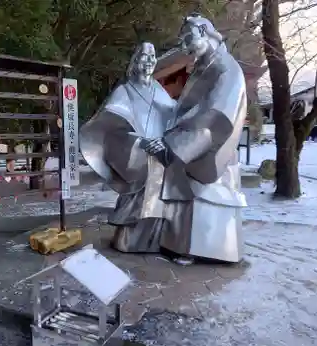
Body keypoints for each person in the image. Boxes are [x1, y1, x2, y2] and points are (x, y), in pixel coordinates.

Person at [140, 14, 248, 263]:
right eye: (184, 41)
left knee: (205, 200)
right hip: (191, 140)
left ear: (206, 32)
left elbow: (216, 113)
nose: (186, 46)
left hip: (208, 145)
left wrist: (173, 142)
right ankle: (178, 244)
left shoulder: (227, 69)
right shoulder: (203, 67)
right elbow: (187, 109)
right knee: (184, 197)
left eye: (190, 38)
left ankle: (203, 250)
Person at [80, 42, 178, 253]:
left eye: (152, 57)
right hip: (136, 154)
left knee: (159, 200)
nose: (149, 61)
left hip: (159, 155)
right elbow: (113, 124)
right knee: (136, 199)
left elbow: (173, 115)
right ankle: (129, 239)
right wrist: (140, 142)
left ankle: (154, 239)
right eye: (144, 56)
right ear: (135, 62)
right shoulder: (124, 91)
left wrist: (166, 141)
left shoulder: (159, 90)